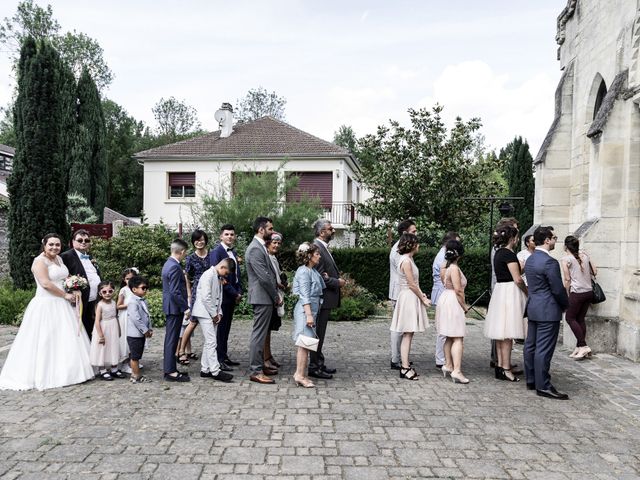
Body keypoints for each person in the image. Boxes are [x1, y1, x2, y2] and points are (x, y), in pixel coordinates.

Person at [0, 233, 94, 391]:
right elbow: (45, 283)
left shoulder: (59, 259)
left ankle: (70, 371)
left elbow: (64, 278)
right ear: (44, 245)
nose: (55, 247)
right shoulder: (39, 261)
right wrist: (65, 295)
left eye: (57, 245)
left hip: (63, 305)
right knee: (46, 338)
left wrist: (74, 285)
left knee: (65, 337)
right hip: (47, 304)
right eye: (51, 244)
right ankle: (46, 374)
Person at [524, 226, 570, 400]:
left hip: (534, 305)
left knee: (531, 345)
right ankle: (543, 385)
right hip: (548, 308)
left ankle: (531, 379)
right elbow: (557, 289)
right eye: (554, 238)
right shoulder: (549, 262)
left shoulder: (531, 259)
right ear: (546, 240)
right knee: (543, 348)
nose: (555, 241)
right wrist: (565, 304)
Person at [483, 224, 528, 382]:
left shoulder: (498, 253)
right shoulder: (509, 254)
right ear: (512, 238)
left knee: (502, 333)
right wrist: (527, 291)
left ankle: (501, 366)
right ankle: (506, 368)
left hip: (500, 291)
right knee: (508, 333)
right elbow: (517, 279)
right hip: (510, 292)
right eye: (516, 237)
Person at [389, 233, 431, 381]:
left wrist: (421, 294)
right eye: (416, 243)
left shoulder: (408, 259)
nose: (418, 245)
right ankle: (405, 367)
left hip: (409, 296)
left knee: (409, 333)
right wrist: (423, 298)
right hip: (408, 297)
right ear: (412, 245)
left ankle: (405, 365)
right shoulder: (406, 260)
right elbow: (412, 284)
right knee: (407, 333)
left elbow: (414, 284)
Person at [310, 219, 346, 380]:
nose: (332, 231)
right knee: (317, 333)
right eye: (330, 229)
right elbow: (318, 277)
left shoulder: (323, 247)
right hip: (321, 299)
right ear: (321, 232)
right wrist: (336, 282)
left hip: (324, 299)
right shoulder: (316, 248)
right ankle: (314, 367)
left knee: (320, 334)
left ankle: (319, 362)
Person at [246, 216, 279, 384]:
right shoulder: (255, 249)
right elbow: (264, 278)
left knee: (262, 333)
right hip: (262, 297)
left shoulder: (259, 247)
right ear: (261, 229)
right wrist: (276, 296)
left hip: (264, 297)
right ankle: (256, 370)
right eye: (270, 229)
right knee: (258, 335)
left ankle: (261, 365)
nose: (272, 232)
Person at [191, 259, 234, 382]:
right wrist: (214, 314)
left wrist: (219, 313)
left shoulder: (216, 276)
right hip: (204, 312)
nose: (225, 276)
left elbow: (218, 297)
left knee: (209, 341)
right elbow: (206, 297)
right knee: (211, 342)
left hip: (211, 312)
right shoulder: (208, 275)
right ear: (222, 267)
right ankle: (215, 371)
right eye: (226, 273)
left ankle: (205, 369)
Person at [435, 239, 470, 384]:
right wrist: (464, 306)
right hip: (453, 301)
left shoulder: (446, 267)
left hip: (445, 299)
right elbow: (458, 290)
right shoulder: (454, 269)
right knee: (457, 337)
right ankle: (457, 370)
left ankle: (448, 365)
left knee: (449, 336)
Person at [292, 242, 325, 388]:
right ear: (310, 256)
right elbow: (304, 295)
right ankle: (299, 374)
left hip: (312, 308)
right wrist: (309, 315)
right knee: (304, 343)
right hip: (306, 309)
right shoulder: (304, 271)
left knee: (307, 342)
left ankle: (301, 373)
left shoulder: (312, 270)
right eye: (317, 254)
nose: (319, 256)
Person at [210, 224, 243, 370]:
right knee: (221, 328)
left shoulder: (233, 252)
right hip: (223, 296)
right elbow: (220, 277)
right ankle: (218, 359)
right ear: (221, 236)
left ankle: (224, 355)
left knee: (227, 327)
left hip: (233, 295)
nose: (230, 236)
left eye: (232, 234)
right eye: (227, 234)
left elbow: (236, 274)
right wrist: (234, 292)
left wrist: (239, 290)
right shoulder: (216, 252)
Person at [61, 228, 102, 338]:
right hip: (79, 300)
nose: (83, 242)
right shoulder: (66, 256)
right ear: (73, 242)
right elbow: (61, 277)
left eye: (86, 240)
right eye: (80, 240)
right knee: (79, 330)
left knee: (90, 328)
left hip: (93, 299)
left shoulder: (90, 257)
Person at [178, 229, 211, 366]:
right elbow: (187, 277)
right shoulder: (190, 258)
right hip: (197, 292)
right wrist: (190, 294)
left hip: (211, 291)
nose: (199, 242)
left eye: (202, 239)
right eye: (196, 240)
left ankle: (212, 354)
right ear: (193, 242)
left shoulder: (212, 255)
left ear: (206, 240)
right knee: (193, 322)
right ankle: (181, 351)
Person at [561, 235, 596, 360]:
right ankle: (579, 347)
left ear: (565, 246)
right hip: (589, 292)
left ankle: (583, 345)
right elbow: (595, 272)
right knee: (580, 318)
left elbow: (567, 279)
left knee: (570, 318)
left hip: (577, 292)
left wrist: (567, 294)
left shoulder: (566, 259)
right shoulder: (585, 256)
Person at [389, 219, 417, 370]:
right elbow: (405, 275)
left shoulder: (402, 249)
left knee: (403, 327)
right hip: (399, 292)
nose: (416, 234)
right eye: (413, 231)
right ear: (405, 232)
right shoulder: (398, 250)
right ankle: (396, 358)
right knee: (399, 327)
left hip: (403, 292)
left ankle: (401, 357)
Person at [161, 238, 190, 382]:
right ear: (182, 251)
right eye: (186, 253)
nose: (185, 255)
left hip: (171, 306)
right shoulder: (174, 266)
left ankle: (170, 368)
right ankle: (170, 371)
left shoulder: (168, 263)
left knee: (171, 339)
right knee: (172, 340)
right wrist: (185, 307)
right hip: (174, 308)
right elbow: (175, 292)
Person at [431, 231, 460, 369]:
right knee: (443, 329)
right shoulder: (443, 256)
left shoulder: (444, 254)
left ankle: (444, 358)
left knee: (444, 328)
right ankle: (441, 358)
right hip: (443, 293)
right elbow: (445, 278)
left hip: (442, 293)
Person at [90, 280, 125, 380]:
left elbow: (116, 316)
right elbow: (97, 321)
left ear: (113, 291)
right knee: (103, 348)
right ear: (100, 293)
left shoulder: (114, 303)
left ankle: (114, 368)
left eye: (110, 291)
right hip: (103, 328)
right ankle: (102, 370)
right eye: (104, 292)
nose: (107, 294)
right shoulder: (100, 305)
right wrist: (101, 335)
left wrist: (119, 329)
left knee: (113, 346)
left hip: (113, 327)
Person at [264, 232, 286, 373]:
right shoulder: (265, 257)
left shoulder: (274, 258)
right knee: (264, 330)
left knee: (270, 329)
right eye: (274, 242)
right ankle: (264, 358)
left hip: (275, 296)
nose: (276, 245)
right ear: (268, 243)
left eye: (278, 243)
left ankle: (269, 355)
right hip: (268, 297)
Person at [127, 275, 153, 384]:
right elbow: (136, 319)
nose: (145, 289)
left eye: (146, 287)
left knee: (137, 354)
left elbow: (147, 315)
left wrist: (149, 328)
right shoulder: (133, 302)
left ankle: (135, 374)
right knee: (135, 356)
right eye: (143, 288)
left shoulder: (142, 300)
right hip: (135, 334)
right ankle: (136, 376)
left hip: (140, 333)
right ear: (134, 289)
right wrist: (145, 330)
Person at [116, 267, 138, 374]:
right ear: (124, 279)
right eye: (127, 279)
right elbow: (118, 305)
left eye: (132, 278)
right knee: (126, 340)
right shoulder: (123, 290)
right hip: (125, 317)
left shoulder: (137, 289)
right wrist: (129, 305)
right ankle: (124, 363)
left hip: (135, 317)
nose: (129, 280)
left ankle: (133, 361)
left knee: (134, 339)